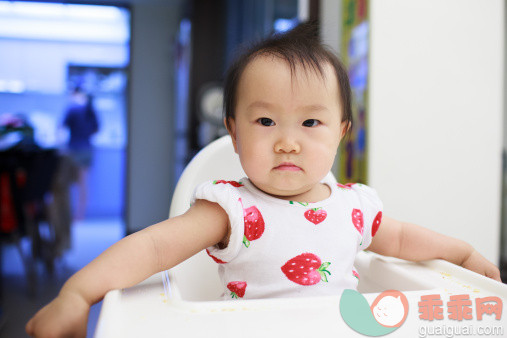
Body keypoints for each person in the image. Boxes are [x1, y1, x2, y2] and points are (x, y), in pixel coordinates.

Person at [26, 22, 501, 337]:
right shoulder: (231, 209)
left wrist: (459, 252)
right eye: (266, 122)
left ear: (341, 133)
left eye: (310, 124)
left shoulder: (355, 206)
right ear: (233, 133)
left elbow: (399, 238)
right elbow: (151, 249)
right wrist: (78, 293)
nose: (288, 143)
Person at [62, 87, 99, 220]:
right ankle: (80, 215)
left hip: (73, 150)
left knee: (67, 184)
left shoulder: (72, 109)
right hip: (86, 149)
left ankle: (69, 215)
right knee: (83, 183)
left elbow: (62, 127)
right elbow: (96, 129)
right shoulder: (90, 109)